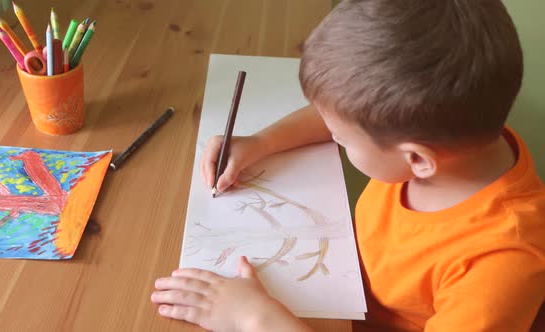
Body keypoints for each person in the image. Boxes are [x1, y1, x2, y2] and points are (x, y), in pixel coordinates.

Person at [152, 0, 545, 331]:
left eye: (342, 138)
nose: (334, 135)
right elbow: (343, 115)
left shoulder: (500, 267)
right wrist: (262, 142)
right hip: (346, 286)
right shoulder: (456, 129)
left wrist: (257, 319)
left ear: (417, 160)